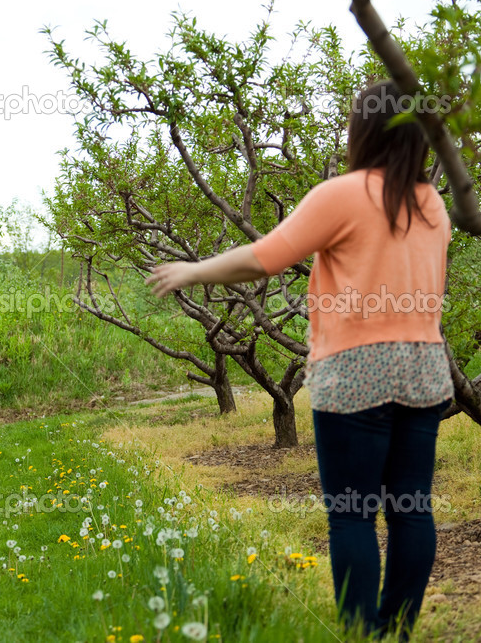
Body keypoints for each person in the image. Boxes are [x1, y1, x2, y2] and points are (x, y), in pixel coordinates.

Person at [146, 80, 453, 641]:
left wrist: (192, 270)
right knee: (412, 509)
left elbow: (264, 259)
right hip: (425, 369)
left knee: (353, 514)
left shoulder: (343, 193)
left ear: (363, 130)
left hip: (354, 370)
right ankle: (397, 631)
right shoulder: (431, 204)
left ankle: (363, 634)